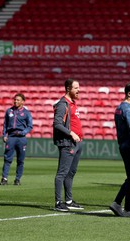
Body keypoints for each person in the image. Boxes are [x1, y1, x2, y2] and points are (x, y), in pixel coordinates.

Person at [109, 82, 130, 218]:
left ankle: (127, 207)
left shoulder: (119, 108)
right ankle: (120, 203)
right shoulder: (128, 110)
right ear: (129, 94)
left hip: (123, 145)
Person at [53, 78, 84, 211]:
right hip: (67, 143)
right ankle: (58, 202)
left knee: (71, 173)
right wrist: (71, 133)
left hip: (77, 143)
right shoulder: (62, 104)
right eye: (76, 88)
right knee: (62, 173)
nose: (79, 90)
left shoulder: (72, 103)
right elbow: (57, 123)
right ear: (68, 89)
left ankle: (69, 200)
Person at [0, 93, 33, 186]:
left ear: (23, 101)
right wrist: (4, 135)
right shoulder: (9, 111)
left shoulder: (26, 113)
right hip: (11, 137)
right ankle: (4, 178)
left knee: (20, 160)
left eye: (18, 100)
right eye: (15, 99)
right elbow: (5, 125)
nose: (15, 101)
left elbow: (30, 126)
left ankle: (17, 179)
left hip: (21, 138)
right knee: (7, 159)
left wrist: (22, 132)